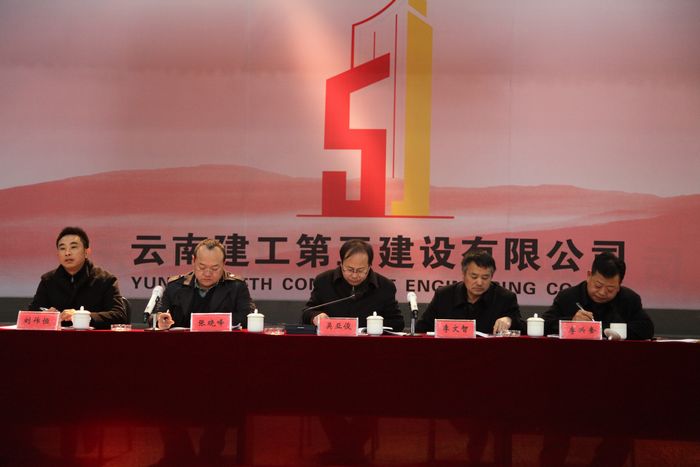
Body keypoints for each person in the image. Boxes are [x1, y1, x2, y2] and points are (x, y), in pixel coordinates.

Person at [28, 226, 127, 329]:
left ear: (86, 252)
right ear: (57, 254)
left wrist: (82, 316)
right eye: (62, 248)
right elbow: (31, 314)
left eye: (73, 247)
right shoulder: (48, 281)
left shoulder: (106, 280)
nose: (67, 253)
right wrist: (44, 315)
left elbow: (119, 316)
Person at [542, 251, 654, 340]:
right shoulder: (568, 297)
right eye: (598, 286)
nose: (602, 293)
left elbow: (646, 329)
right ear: (589, 275)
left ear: (619, 285)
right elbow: (543, 325)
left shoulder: (629, 299)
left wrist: (608, 330)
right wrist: (571, 322)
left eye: (610, 289)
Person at [302, 239, 404, 331]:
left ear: (369, 267)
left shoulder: (385, 287)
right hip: (330, 342)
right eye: (350, 269)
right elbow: (307, 313)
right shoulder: (324, 281)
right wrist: (316, 316)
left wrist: (374, 325)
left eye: (360, 270)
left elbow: (398, 323)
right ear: (341, 264)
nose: (354, 275)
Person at [416, 249, 524, 334]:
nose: (479, 282)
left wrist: (510, 320)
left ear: (492, 277)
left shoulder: (505, 298)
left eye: (485, 277)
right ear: (463, 274)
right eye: (474, 276)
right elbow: (421, 329)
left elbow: (523, 328)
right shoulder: (444, 296)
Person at [155, 238, 255, 330]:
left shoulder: (237, 287)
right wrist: (160, 321)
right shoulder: (175, 286)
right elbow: (156, 316)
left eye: (214, 268)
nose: (207, 273)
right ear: (193, 261)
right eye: (202, 267)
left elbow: (248, 318)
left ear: (224, 263)